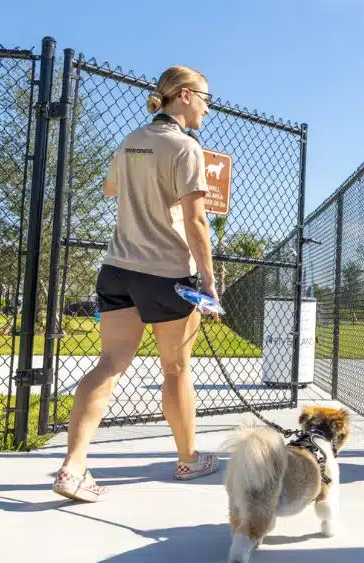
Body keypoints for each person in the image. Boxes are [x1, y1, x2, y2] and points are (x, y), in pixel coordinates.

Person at [52, 65, 219, 502]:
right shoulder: (185, 147)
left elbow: (111, 190)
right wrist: (209, 279)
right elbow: (198, 221)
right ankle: (188, 460)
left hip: (118, 268)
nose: (207, 105)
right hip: (166, 272)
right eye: (205, 97)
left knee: (109, 363)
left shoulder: (129, 142)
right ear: (183, 95)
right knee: (176, 369)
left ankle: (72, 467)